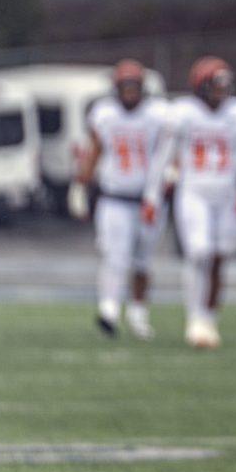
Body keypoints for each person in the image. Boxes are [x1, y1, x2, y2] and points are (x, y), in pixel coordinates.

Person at [143, 56, 236, 349]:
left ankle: (208, 318)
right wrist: (152, 195)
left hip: (225, 193)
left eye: (224, 86)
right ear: (200, 87)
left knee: (220, 257)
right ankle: (195, 318)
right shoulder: (183, 111)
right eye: (215, 86)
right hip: (193, 191)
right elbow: (163, 155)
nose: (221, 93)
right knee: (199, 252)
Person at [70, 59, 167, 341]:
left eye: (134, 86)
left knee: (142, 262)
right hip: (114, 197)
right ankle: (109, 310)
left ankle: (138, 315)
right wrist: (79, 186)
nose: (129, 91)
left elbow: (169, 149)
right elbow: (94, 151)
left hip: (148, 199)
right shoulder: (105, 114)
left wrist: (170, 174)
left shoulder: (158, 114)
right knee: (114, 257)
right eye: (125, 86)